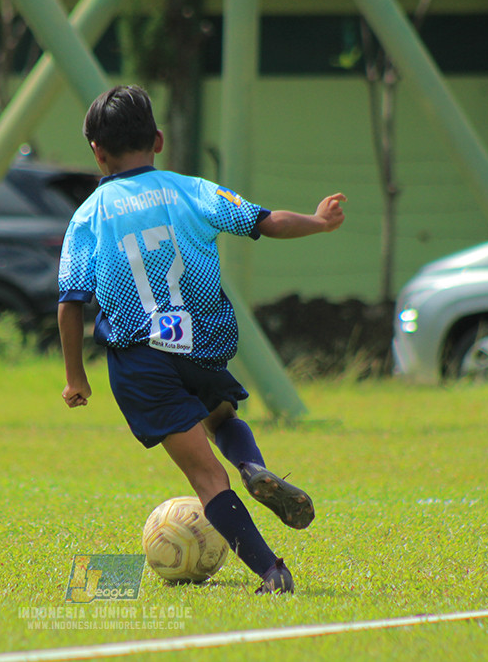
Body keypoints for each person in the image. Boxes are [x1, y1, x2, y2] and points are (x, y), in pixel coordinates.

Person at [57, 85, 345, 595]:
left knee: (207, 477)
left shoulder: (90, 215)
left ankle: (272, 572)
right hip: (197, 343)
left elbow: (70, 302)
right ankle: (253, 465)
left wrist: (76, 376)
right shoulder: (192, 190)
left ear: (97, 153)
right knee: (222, 418)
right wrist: (320, 222)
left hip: (139, 358)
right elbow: (265, 221)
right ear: (159, 141)